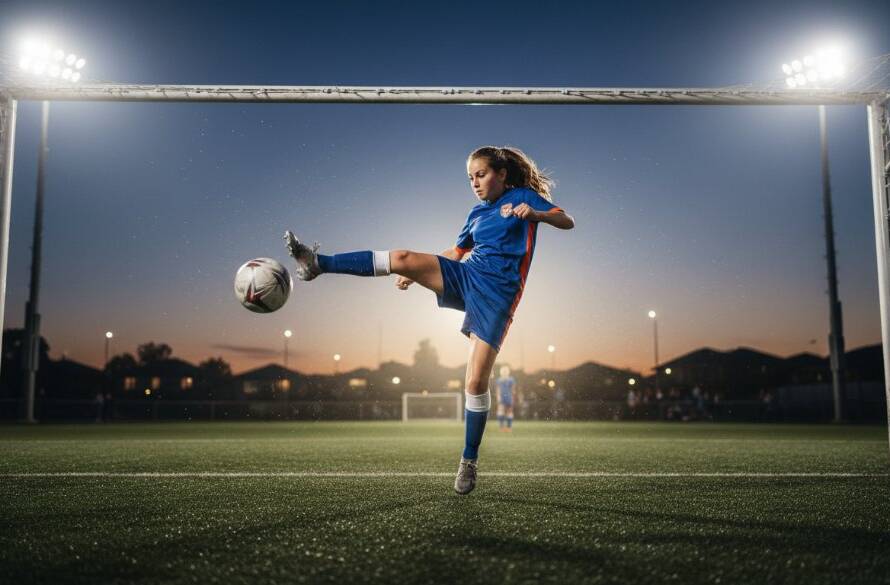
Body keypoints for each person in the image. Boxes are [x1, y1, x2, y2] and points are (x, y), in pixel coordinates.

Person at [284, 145, 574, 495]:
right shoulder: (476, 214)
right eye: (470, 178)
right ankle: (319, 263)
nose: (475, 183)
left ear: (501, 174)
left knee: (475, 382)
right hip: (468, 277)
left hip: (498, 296)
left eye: (481, 175)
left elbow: (566, 220)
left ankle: (469, 460)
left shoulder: (525, 197)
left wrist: (536, 214)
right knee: (404, 257)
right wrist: (417, 272)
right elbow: (456, 252)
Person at [495, 365, 516, 432]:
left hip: (509, 397)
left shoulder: (511, 379)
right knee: (501, 411)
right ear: (501, 372)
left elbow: (513, 390)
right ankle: (501, 427)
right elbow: (498, 390)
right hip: (501, 397)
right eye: (503, 371)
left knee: (509, 412)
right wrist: (498, 397)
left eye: (505, 371)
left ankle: (509, 428)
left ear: (508, 372)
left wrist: (513, 398)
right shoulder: (499, 380)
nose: (504, 372)